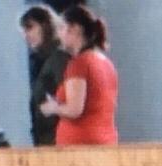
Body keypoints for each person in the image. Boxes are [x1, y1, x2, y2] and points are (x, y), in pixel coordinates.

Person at [39, 4, 118, 146]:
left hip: (80, 145)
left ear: (75, 29)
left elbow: (74, 109)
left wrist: (52, 107)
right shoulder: (106, 63)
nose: (59, 35)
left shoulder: (79, 64)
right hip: (106, 140)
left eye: (62, 28)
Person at [20, 5, 70, 146]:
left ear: (46, 26)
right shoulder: (39, 61)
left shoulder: (58, 58)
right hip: (46, 138)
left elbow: (70, 98)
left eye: (30, 27)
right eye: (24, 30)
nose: (26, 35)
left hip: (59, 139)